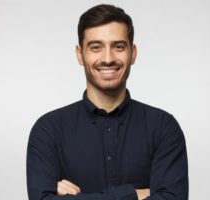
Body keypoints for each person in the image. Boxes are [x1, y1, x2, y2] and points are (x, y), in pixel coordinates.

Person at [26, 4, 188, 200]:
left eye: (118, 46)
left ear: (133, 53)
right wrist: (132, 194)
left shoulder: (163, 127)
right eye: (96, 47)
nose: (108, 58)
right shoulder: (48, 130)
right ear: (80, 54)